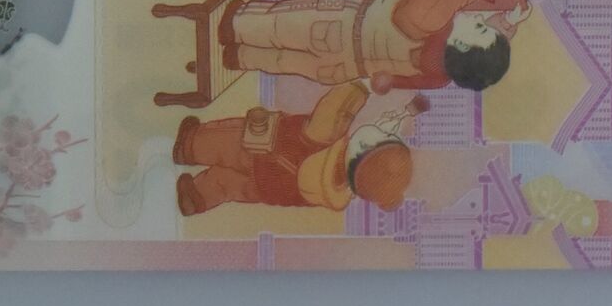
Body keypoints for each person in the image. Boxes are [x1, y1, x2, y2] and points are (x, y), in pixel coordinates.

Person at [220, 0, 531, 95]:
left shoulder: (428, 22)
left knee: (279, 26)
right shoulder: (439, 76)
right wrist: (506, 22)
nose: (477, 19)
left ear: (460, 43)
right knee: (283, 61)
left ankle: (236, 24)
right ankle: (242, 57)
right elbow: (394, 82)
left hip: (337, 28)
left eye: (479, 27)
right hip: (342, 69)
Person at [173, 81, 429, 215]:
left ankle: (189, 144)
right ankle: (197, 197)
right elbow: (383, 128)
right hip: (267, 189)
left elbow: (336, 107)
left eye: (384, 136)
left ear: (364, 148)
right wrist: (408, 112)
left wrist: (361, 87)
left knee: (226, 141)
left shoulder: (327, 137)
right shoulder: (335, 191)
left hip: (261, 150)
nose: (384, 130)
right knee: (228, 185)